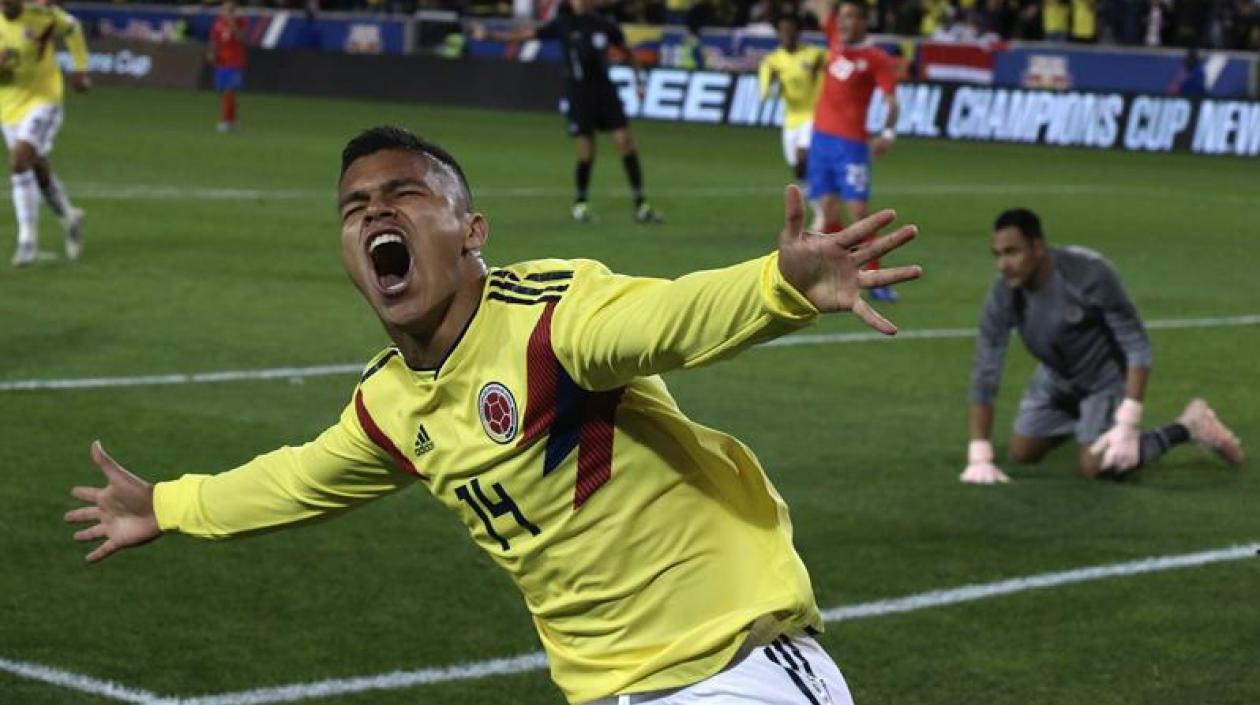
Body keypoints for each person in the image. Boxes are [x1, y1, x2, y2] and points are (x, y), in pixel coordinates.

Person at [66, 126, 923, 704]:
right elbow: (296, 479)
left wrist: (780, 285)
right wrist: (166, 505)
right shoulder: (390, 405)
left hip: (735, 677)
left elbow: (669, 318)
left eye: (403, 193)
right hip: (611, 692)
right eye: (356, 206)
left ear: (471, 228)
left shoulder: (550, 318)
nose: (375, 213)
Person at [961, 208, 1243, 484]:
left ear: (1038, 248)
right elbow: (986, 369)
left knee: (1095, 467)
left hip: (1104, 380)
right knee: (1022, 453)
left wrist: (1127, 421)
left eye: (1012, 252)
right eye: (997, 255)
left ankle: (1188, 426)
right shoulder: (1004, 293)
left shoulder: (1088, 273)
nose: (1003, 265)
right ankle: (1090, 427)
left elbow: (1137, 346)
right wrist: (979, 453)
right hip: (1056, 380)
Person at [471, 0, 663, 224]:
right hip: (579, 94)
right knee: (586, 151)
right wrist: (489, 36)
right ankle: (580, 204)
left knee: (624, 141)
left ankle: (641, 205)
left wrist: (639, 82)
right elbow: (527, 35)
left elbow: (628, 53)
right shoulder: (563, 24)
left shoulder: (604, 25)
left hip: (605, 91)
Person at [806, 0, 901, 302]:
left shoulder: (875, 58)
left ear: (863, 21)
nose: (842, 22)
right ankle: (838, 271)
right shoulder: (834, 36)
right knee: (829, 212)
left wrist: (887, 133)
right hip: (821, 141)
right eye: (841, 17)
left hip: (851, 147)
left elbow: (891, 101)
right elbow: (818, 6)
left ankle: (875, 279)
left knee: (859, 214)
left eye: (849, 17)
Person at [0, 0, 87, 267]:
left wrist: (81, 68)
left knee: (18, 161)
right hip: (8, 107)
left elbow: (72, 28)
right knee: (36, 167)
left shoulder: (41, 15)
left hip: (44, 99)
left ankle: (27, 241)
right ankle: (69, 216)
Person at [758, 13, 825, 221]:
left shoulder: (814, 55)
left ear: (798, 32)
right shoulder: (772, 61)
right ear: (778, 33)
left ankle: (821, 211)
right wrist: (774, 82)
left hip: (813, 114)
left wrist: (820, 71)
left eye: (790, 29)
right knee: (797, 167)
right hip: (791, 118)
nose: (787, 34)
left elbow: (834, 65)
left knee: (803, 154)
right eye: (783, 30)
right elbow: (765, 94)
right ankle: (819, 201)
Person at [209, 0, 246, 133]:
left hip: (234, 62)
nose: (225, 12)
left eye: (229, 9)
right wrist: (212, 54)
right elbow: (214, 40)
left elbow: (241, 38)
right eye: (224, 9)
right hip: (221, 62)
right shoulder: (218, 23)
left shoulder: (240, 21)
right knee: (226, 92)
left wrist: (232, 23)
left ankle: (225, 121)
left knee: (229, 91)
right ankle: (233, 120)